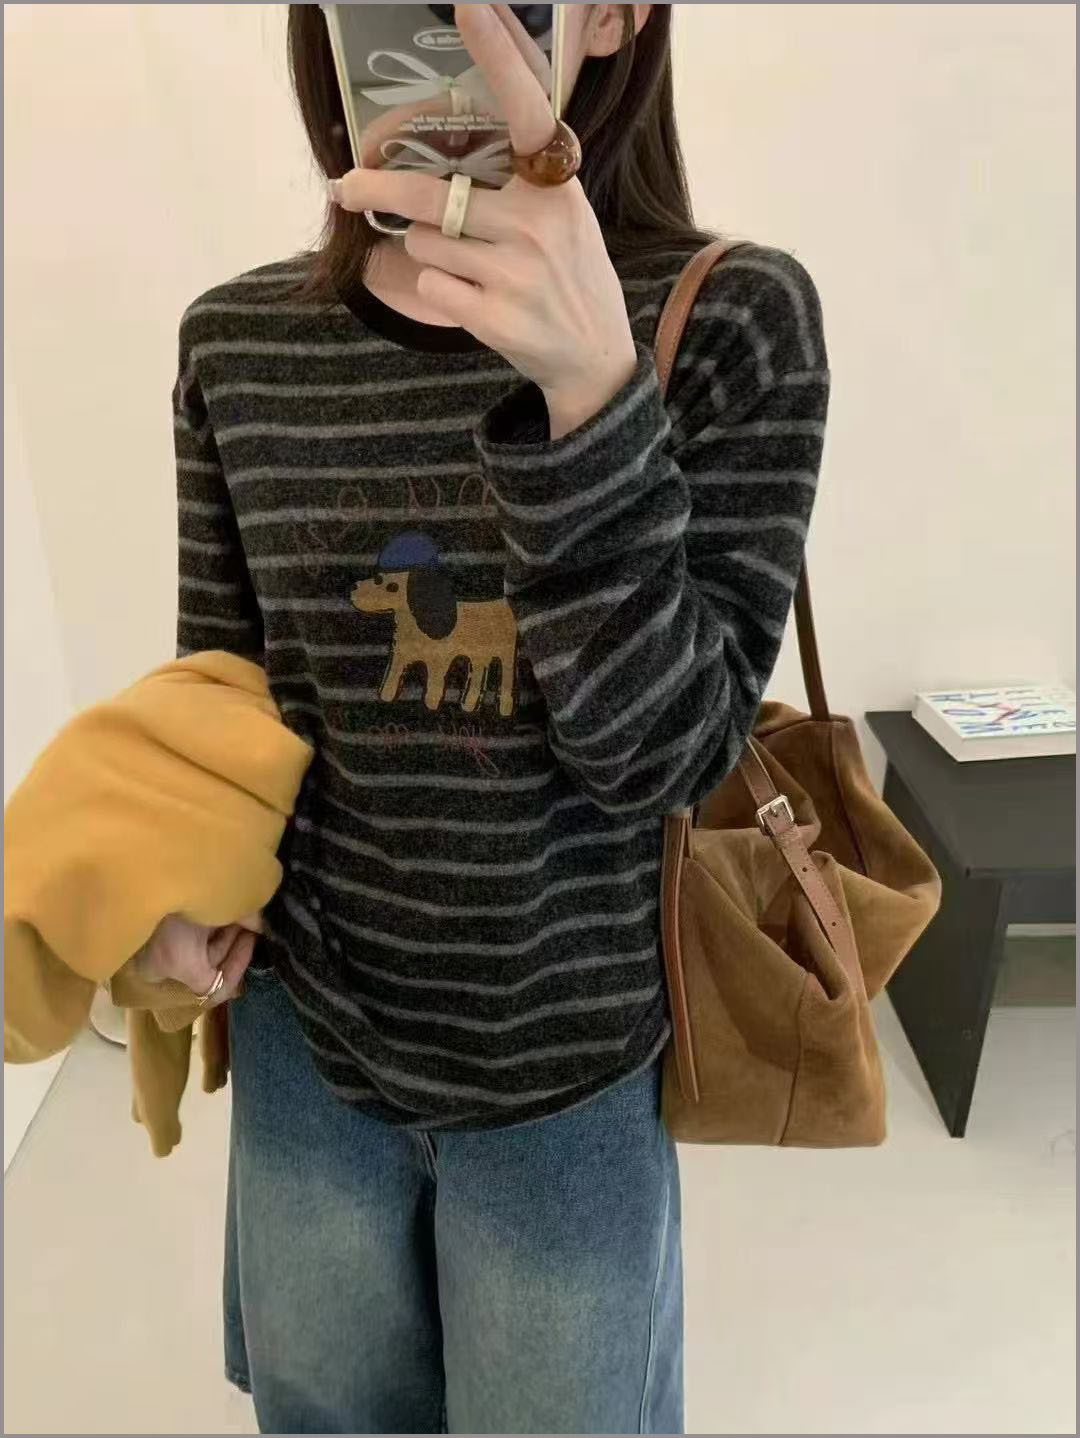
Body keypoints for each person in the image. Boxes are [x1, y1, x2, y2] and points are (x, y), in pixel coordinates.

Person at [142, 4, 829, 1432]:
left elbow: (667, 758)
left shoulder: (734, 321)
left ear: (616, 15)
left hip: (568, 1082)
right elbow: (221, 704)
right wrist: (176, 888)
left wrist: (589, 394)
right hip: (307, 1047)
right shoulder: (238, 342)